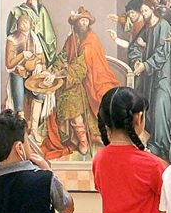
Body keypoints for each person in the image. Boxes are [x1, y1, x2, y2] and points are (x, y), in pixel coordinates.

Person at [43, 9, 120, 158]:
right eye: (81, 21)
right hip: (74, 79)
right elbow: (63, 56)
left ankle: (88, 140)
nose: (84, 23)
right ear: (76, 23)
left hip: (92, 79)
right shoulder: (71, 39)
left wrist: (64, 72)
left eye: (86, 21)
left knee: (80, 99)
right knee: (67, 99)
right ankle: (81, 138)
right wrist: (54, 70)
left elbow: (82, 65)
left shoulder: (91, 40)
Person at [130, 2, 171, 162]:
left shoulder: (163, 25)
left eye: (146, 10)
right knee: (153, 104)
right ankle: (157, 143)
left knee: (161, 104)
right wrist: (137, 60)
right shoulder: (147, 27)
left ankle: (159, 144)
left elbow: (163, 51)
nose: (144, 13)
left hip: (166, 70)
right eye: (142, 11)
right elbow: (134, 44)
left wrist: (145, 66)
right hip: (153, 72)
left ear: (153, 10)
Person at [5, 12, 50, 138]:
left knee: (39, 94)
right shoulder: (12, 39)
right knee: (18, 102)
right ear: (17, 24)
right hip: (17, 71)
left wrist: (40, 65)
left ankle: (34, 130)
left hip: (33, 71)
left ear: (30, 24)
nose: (24, 25)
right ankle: (21, 132)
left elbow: (41, 56)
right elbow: (9, 64)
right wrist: (22, 55)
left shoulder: (34, 37)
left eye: (26, 22)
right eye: (21, 22)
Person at [6, 0, 57, 66]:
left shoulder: (42, 10)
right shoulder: (21, 9)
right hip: (26, 41)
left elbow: (48, 30)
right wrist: (31, 29)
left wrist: (40, 31)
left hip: (40, 42)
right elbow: (15, 29)